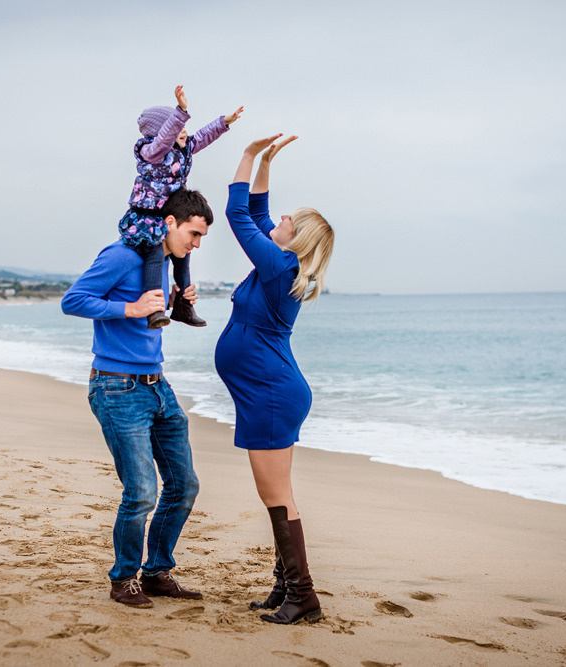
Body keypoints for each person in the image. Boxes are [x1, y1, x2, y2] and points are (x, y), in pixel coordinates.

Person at [61, 188, 214, 608]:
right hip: (116, 386)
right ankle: (123, 579)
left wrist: (177, 305)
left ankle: (157, 572)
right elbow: (72, 301)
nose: (196, 244)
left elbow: (150, 316)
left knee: (183, 486)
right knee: (142, 490)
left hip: (157, 385)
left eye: (201, 238)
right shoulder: (123, 255)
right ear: (169, 222)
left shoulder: (161, 262)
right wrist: (128, 309)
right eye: (194, 234)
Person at [214, 134, 335, 625]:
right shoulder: (280, 262)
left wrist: (244, 157)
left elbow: (240, 217)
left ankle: (302, 595)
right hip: (271, 389)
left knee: (275, 496)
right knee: (279, 494)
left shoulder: (280, 262)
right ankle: (286, 586)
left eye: (290, 219)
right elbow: (259, 212)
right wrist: (265, 162)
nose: (279, 219)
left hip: (269, 393)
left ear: (297, 236)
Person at [121, 85, 243, 329]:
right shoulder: (152, 152)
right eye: (177, 128)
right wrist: (180, 112)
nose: (184, 132)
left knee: (184, 256)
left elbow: (203, 137)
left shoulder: (183, 149)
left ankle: (184, 307)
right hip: (147, 215)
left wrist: (223, 123)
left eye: (184, 127)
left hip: (170, 214)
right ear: (162, 132)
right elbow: (166, 137)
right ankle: (154, 309)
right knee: (155, 253)